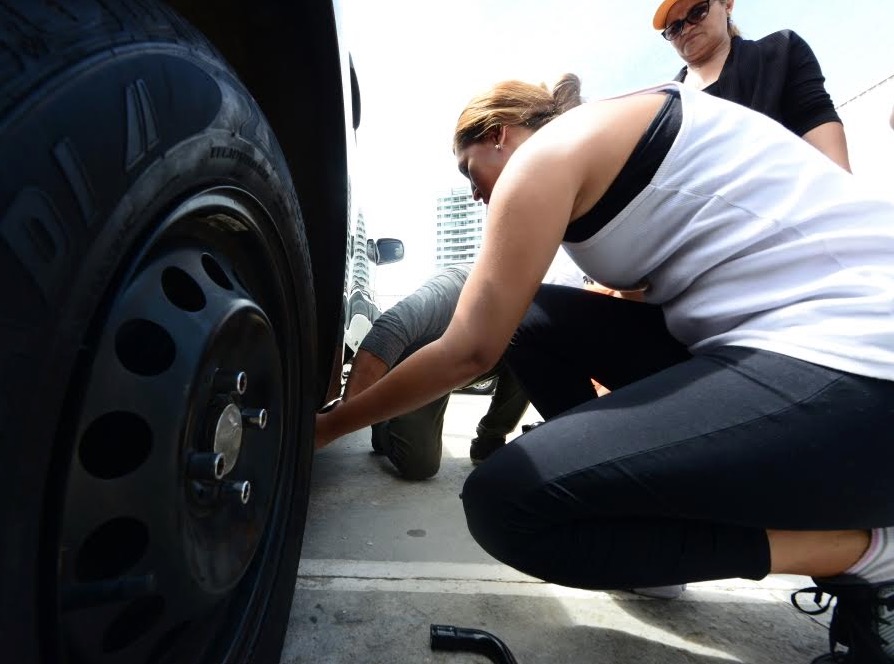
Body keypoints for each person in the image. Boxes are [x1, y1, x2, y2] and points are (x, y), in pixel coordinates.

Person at [316, 72, 894, 662]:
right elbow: (641, 310)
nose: (474, 193)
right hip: (780, 346)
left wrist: (329, 427)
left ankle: (864, 551)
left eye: (470, 171)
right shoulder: (611, 145)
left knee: (508, 504)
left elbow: (470, 350)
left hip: (860, 368)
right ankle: (641, 517)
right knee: (531, 315)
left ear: (500, 135)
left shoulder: (546, 156)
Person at [340, 249, 587, 481]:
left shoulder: (540, 321)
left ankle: (489, 439)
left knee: (537, 351)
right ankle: (383, 422)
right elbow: (389, 329)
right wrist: (347, 414)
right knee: (419, 465)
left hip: (479, 360)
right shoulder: (456, 287)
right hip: (427, 364)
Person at [654, 0, 851, 172]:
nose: (686, 28)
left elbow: (826, 146)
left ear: (727, 4)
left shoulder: (781, 52)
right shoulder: (664, 109)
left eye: (697, 12)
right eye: (675, 28)